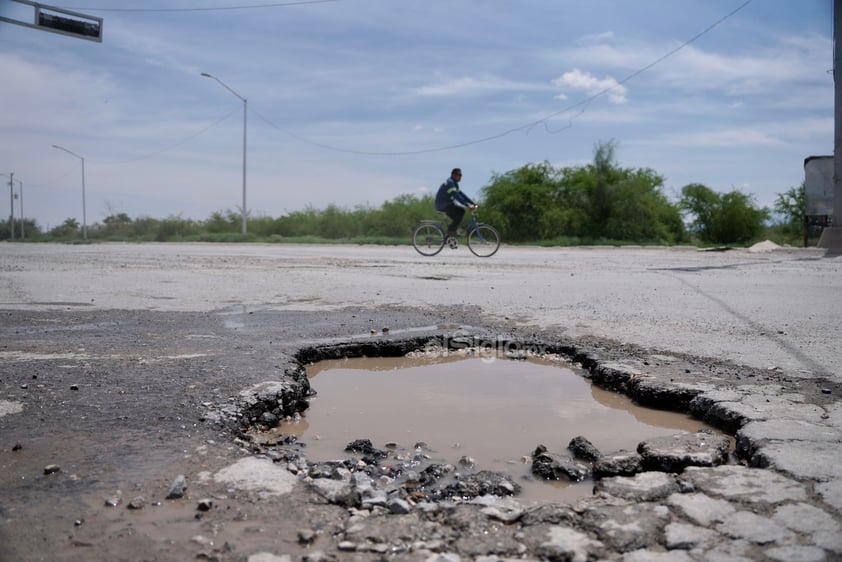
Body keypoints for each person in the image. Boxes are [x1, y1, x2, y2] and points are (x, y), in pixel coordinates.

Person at [435, 168, 477, 246]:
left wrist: (473, 203)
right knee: (461, 211)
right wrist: (468, 205)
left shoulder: (454, 183)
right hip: (443, 205)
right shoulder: (450, 182)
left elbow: (462, 194)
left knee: (458, 216)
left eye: (461, 175)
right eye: (459, 175)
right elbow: (456, 196)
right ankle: (451, 233)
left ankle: (449, 237)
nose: (460, 177)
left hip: (447, 204)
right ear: (453, 175)